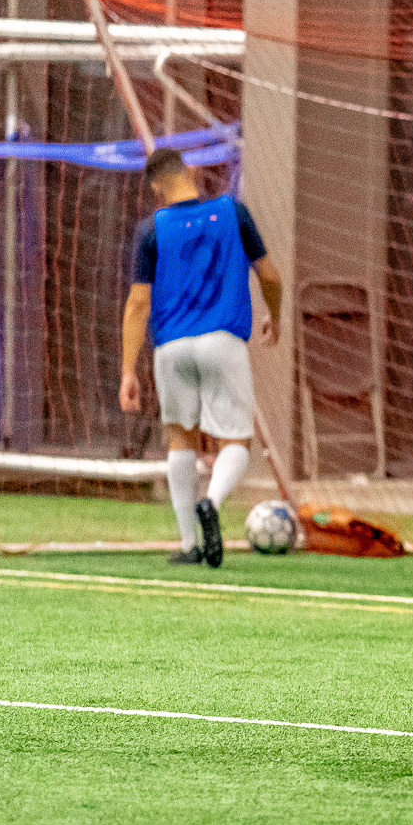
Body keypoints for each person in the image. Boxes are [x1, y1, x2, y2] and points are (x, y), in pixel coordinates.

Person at [119, 148, 282, 568]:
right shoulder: (233, 212)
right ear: (190, 172)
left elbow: (137, 304)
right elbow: (270, 276)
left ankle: (189, 543)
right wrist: (275, 316)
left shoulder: (151, 230)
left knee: (180, 439)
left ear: (156, 189)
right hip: (222, 341)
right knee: (237, 442)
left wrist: (127, 371)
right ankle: (211, 501)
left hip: (171, 347)